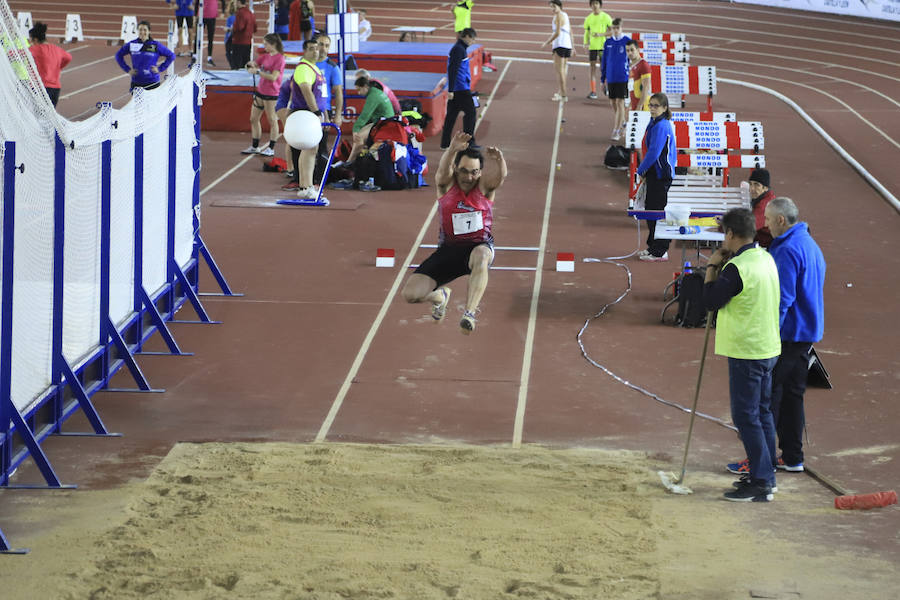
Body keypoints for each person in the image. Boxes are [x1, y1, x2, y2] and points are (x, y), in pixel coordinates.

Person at [728, 198, 826, 476]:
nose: (765, 225)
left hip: (786, 334)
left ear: (781, 220)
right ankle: (793, 457)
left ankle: (761, 461)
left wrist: (766, 335)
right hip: (806, 333)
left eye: (769, 220)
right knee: (793, 396)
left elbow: (781, 299)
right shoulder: (809, 244)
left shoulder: (787, 250)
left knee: (763, 400)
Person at [703, 208, 781, 502]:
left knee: (746, 416)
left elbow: (710, 301)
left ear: (731, 234)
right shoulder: (765, 257)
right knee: (761, 413)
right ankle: (766, 474)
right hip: (768, 347)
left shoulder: (736, 269)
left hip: (748, 351)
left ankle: (761, 481)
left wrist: (712, 267)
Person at [401, 131, 507, 335]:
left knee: (482, 255)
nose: (469, 177)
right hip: (448, 251)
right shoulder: (447, 187)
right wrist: (451, 150)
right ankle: (439, 296)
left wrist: (500, 161)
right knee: (410, 294)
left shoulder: (484, 188)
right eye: (464, 171)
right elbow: (441, 172)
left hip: (478, 246)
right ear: (456, 169)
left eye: (474, 172)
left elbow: (499, 179)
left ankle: (469, 313)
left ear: (480, 172)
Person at [282, 39, 325, 199]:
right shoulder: (303, 68)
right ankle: (306, 186)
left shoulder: (316, 68)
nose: (316, 51)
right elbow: (306, 90)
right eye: (312, 49)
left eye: (317, 49)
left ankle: (305, 186)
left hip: (311, 113)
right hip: (306, 114)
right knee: (309, 149)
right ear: (305, 51)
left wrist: (322, 113)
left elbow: (322, 95)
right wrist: (315, 112)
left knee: (311, 150)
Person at [635, 92, 676, 262]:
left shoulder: (661, 125)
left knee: (657, 212)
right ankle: (653, 246)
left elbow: (654, 152)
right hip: (654, 172)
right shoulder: (654, 122)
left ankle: (660, 250)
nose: (652, 108)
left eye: (656, 105)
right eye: (650, 105)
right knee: (650, 210)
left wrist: (640, 169)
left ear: (664, 108)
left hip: (660, 174)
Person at [241, 33, 286, 157]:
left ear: (273, 44)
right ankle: (255, 146)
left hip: (271, 93)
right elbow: (254, 64)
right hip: (260, 92)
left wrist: (258, 72)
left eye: (266, 44)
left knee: (272, 120)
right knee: (253, 119)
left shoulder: (280, 59)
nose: (264, 46)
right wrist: (250, 65)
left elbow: (273, 77)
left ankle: (271, 148)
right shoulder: (265, 56)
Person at [344, 77, 395, 165]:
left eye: (359, 90)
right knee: (361, 135)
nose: (358, 93)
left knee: (358, 137)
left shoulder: (373, 96)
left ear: (365, 87)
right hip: (383, 121)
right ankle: (354, 161)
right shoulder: (375, 92)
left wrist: (355, 130)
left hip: (385, 123)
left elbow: (365, 115)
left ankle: (350, 162)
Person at [441, 28, 478, 149]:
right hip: (460, 89)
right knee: (471, 113)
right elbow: (453, 69)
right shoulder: (458, 49)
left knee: (451, 116)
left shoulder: (459, 48)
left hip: (458, 88)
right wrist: (450, 90)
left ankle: (445, 143)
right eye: (472, 39)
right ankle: (469, 142)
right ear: (466, 36)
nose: (473, 41)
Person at [115, 21, 176, 92]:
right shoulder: (132, 44)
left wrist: (160, 69)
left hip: (152, 82)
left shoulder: (156, 45)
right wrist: (127, 69)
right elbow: (118, 55)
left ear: (149, 31)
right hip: (136, 82)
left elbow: (171, 56)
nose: (142, 32)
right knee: (136, 103)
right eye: (140, 29)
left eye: (145, 30)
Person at [27, 22, 72, 107]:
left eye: (31, 40)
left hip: (41, 88)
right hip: (55, 88)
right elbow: (68, 57)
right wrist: (58, 67)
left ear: (35, 40)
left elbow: (18, 54)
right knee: (50, 114)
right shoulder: (56, 49)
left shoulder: (35, 49)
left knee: (39, 114)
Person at [600, 18, 630, 139]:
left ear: (621, 28)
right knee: (613, 102)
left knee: (620, 102)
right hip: (611, 77)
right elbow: (604, 61)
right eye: (613, 28)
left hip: (623, 76)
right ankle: (623, 122)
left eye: (617, 28)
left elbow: (632, 57)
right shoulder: (607, 43)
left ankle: (616, 130)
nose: (615, 30)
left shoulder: (627, 41)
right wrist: (602, 80)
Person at [542, 0, 573, 102]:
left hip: (559, 45)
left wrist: (547, 42)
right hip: (567, 45)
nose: (552, 9)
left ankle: (563, 95)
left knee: (560, 72)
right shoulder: (566, 15)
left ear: (559, 6)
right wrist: (572, 46)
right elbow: (570, 31)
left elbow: (558, 32)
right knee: (563, 71)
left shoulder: (559, 16)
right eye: (551, 7)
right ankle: (561, 92)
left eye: (554, 6)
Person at [582, 0, 611, 100]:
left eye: (596, 3)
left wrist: (601, 34)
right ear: (590, 6)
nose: (594, 5)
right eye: (592, 4)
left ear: (600, 5)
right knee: (592, 69)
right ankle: (593, 91)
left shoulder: (606, 17)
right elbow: (586, 32)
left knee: (605, 68)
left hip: (603, 47)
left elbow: (612, 31)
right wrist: (585, 43)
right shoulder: (588, 18)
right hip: (593, 47)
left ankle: (606, 86)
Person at [747, 168, 775, 248]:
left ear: (765, 188)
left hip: (768, 248)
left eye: (756, 185)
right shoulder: (767, 198)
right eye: (750, 184)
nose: (752, 188)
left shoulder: (764, 205)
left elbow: (747, 228)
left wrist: (724, 225)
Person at [231, 0, 257, 70]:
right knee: (246, 64)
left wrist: (231, 29)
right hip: (248, 42)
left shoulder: (240, 13)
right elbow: (255, 28)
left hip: (239, 41)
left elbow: (240, 27)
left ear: (239, 2)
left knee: (236, 65)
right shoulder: (250, 13)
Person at [626, 39, 651, 111]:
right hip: (634, 103)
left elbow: (646, 87)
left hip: (643, 106)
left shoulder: (643, 65)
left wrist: (640, 105)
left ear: (638, 50)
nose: (630, 53)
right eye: (627, 51)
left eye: (632, 50)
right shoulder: (632, 66)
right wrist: (631, 104)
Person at [201, 0, 219, 66]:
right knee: (198, 36)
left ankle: (209, 57)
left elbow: (223, 1)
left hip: (212, 16)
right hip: (201, 15)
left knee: (210, 38)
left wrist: (222, 11)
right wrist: (195, 14)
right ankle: (195, 56)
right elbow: (197, 2)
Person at [224, 0, 236, 68]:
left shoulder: (230, 18)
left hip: (230, 38)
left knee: (229, 53)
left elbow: (229, 29)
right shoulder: (234, 17)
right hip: (236, 38)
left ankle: (233, 66)